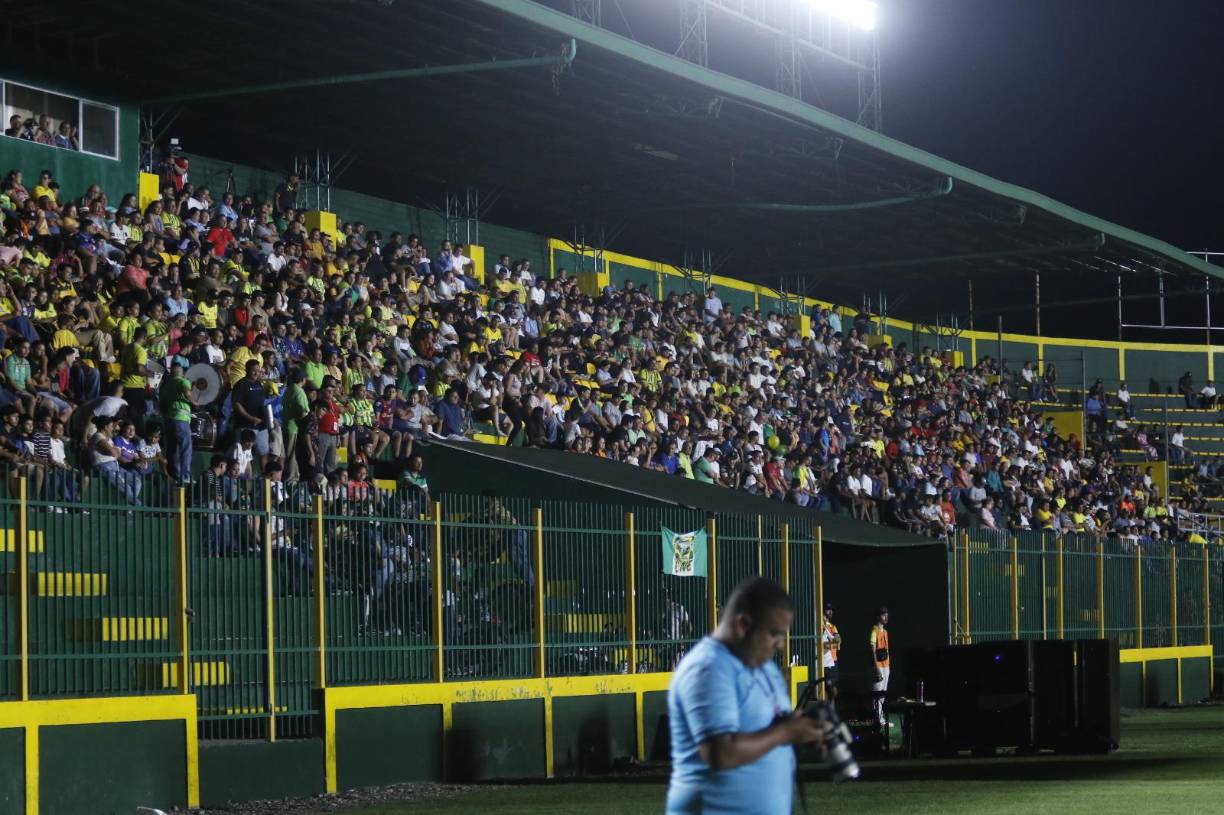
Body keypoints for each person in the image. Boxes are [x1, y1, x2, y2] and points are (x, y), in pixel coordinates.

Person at [666, 577, 826, 815]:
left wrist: (804, 736)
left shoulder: (765, 668)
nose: (780, 645)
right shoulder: (708, 667)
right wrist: (786, 732)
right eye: (774, 634)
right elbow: (720, 753)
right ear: (742, 624)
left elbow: (768, 743)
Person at [159, 359, 195, 483]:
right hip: (181, 420)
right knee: (186, 448)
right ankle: (185, 476)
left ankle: (175, 475)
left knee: (172, 449)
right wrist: (194, 401)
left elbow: (161, 407)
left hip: (169, 421)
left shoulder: (165, 387)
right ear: (182, 373)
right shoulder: (183, 381)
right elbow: (186, 392)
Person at [870, 605, 891, 729]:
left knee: (883, 693)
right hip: (879, 666)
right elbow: (872, 650)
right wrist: (876, 667)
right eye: (883, 614)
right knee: (877, 693)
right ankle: (876, 718)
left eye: (887, 614)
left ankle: (881, 718)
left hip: (886, 665)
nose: (886, 616)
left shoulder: (885, 632)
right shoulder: (874, 631)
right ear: (878, 617)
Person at [820, 602, 841, 698]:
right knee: (825, 689)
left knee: (833, 690)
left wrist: (830, 645)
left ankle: (830, 709)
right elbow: (822, 647)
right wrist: (833, 643)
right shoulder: (820, 625)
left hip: (833, 661)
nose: (830, 611)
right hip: (824, 662)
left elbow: (838, 642)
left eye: (831, 610)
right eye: (828, 609)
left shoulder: (833, 626)